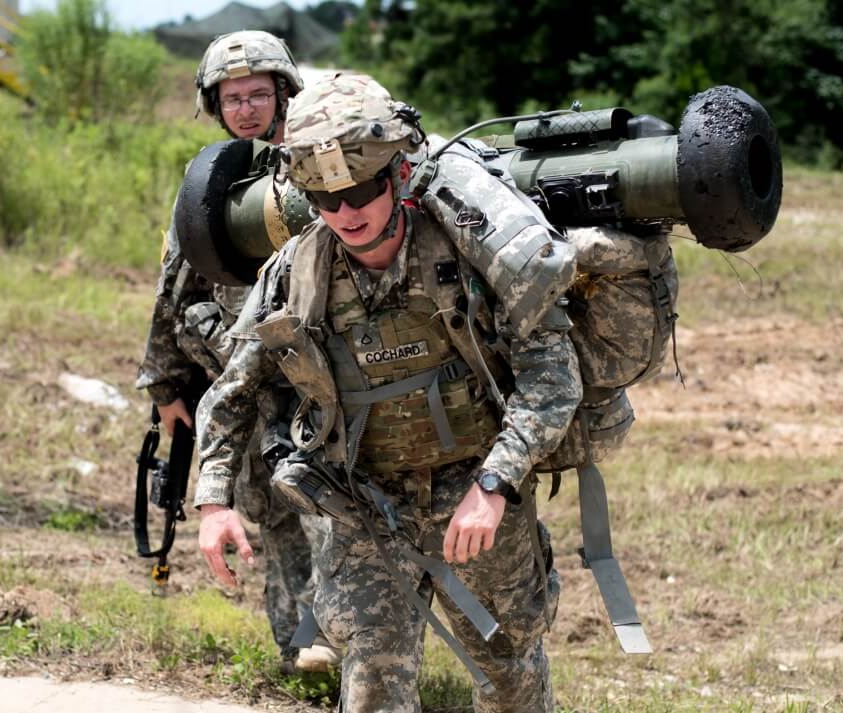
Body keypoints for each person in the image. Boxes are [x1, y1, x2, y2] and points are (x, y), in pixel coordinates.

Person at [195, 73, 582, 712]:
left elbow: (552, 375)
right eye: (325, 198)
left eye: (362, 190)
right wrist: (213, 502)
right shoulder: (298, 272)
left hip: (476, 488)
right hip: (366, 502)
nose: (347, 213)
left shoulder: (468, 250)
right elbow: (233, 393)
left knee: (507, 668)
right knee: (372, 677)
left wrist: (495, 486)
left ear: (397, 176)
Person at [135, 30, 338, 674]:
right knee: (273, 515)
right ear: (214, 105)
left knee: (331, 509)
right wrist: (166, 387)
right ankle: (300, 647)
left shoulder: (327, 161)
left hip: (324, 376)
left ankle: (348, 640)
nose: (246, 108)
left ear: (285, 92)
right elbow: (174, 286)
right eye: (232, 98)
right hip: (239, 373)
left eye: (258, 94)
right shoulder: (210, 182)